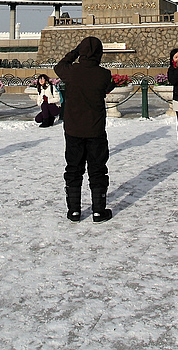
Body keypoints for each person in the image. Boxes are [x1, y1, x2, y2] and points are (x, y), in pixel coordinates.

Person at [55, 37, 117, 222]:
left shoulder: (71, 72)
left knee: (74, 169)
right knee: (97, 169)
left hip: (73, 129)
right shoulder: (103, 74)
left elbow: (59, 66)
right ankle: (98, 211)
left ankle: (74, 210)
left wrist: (74, 52)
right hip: (95, 130)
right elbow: (107, 87)